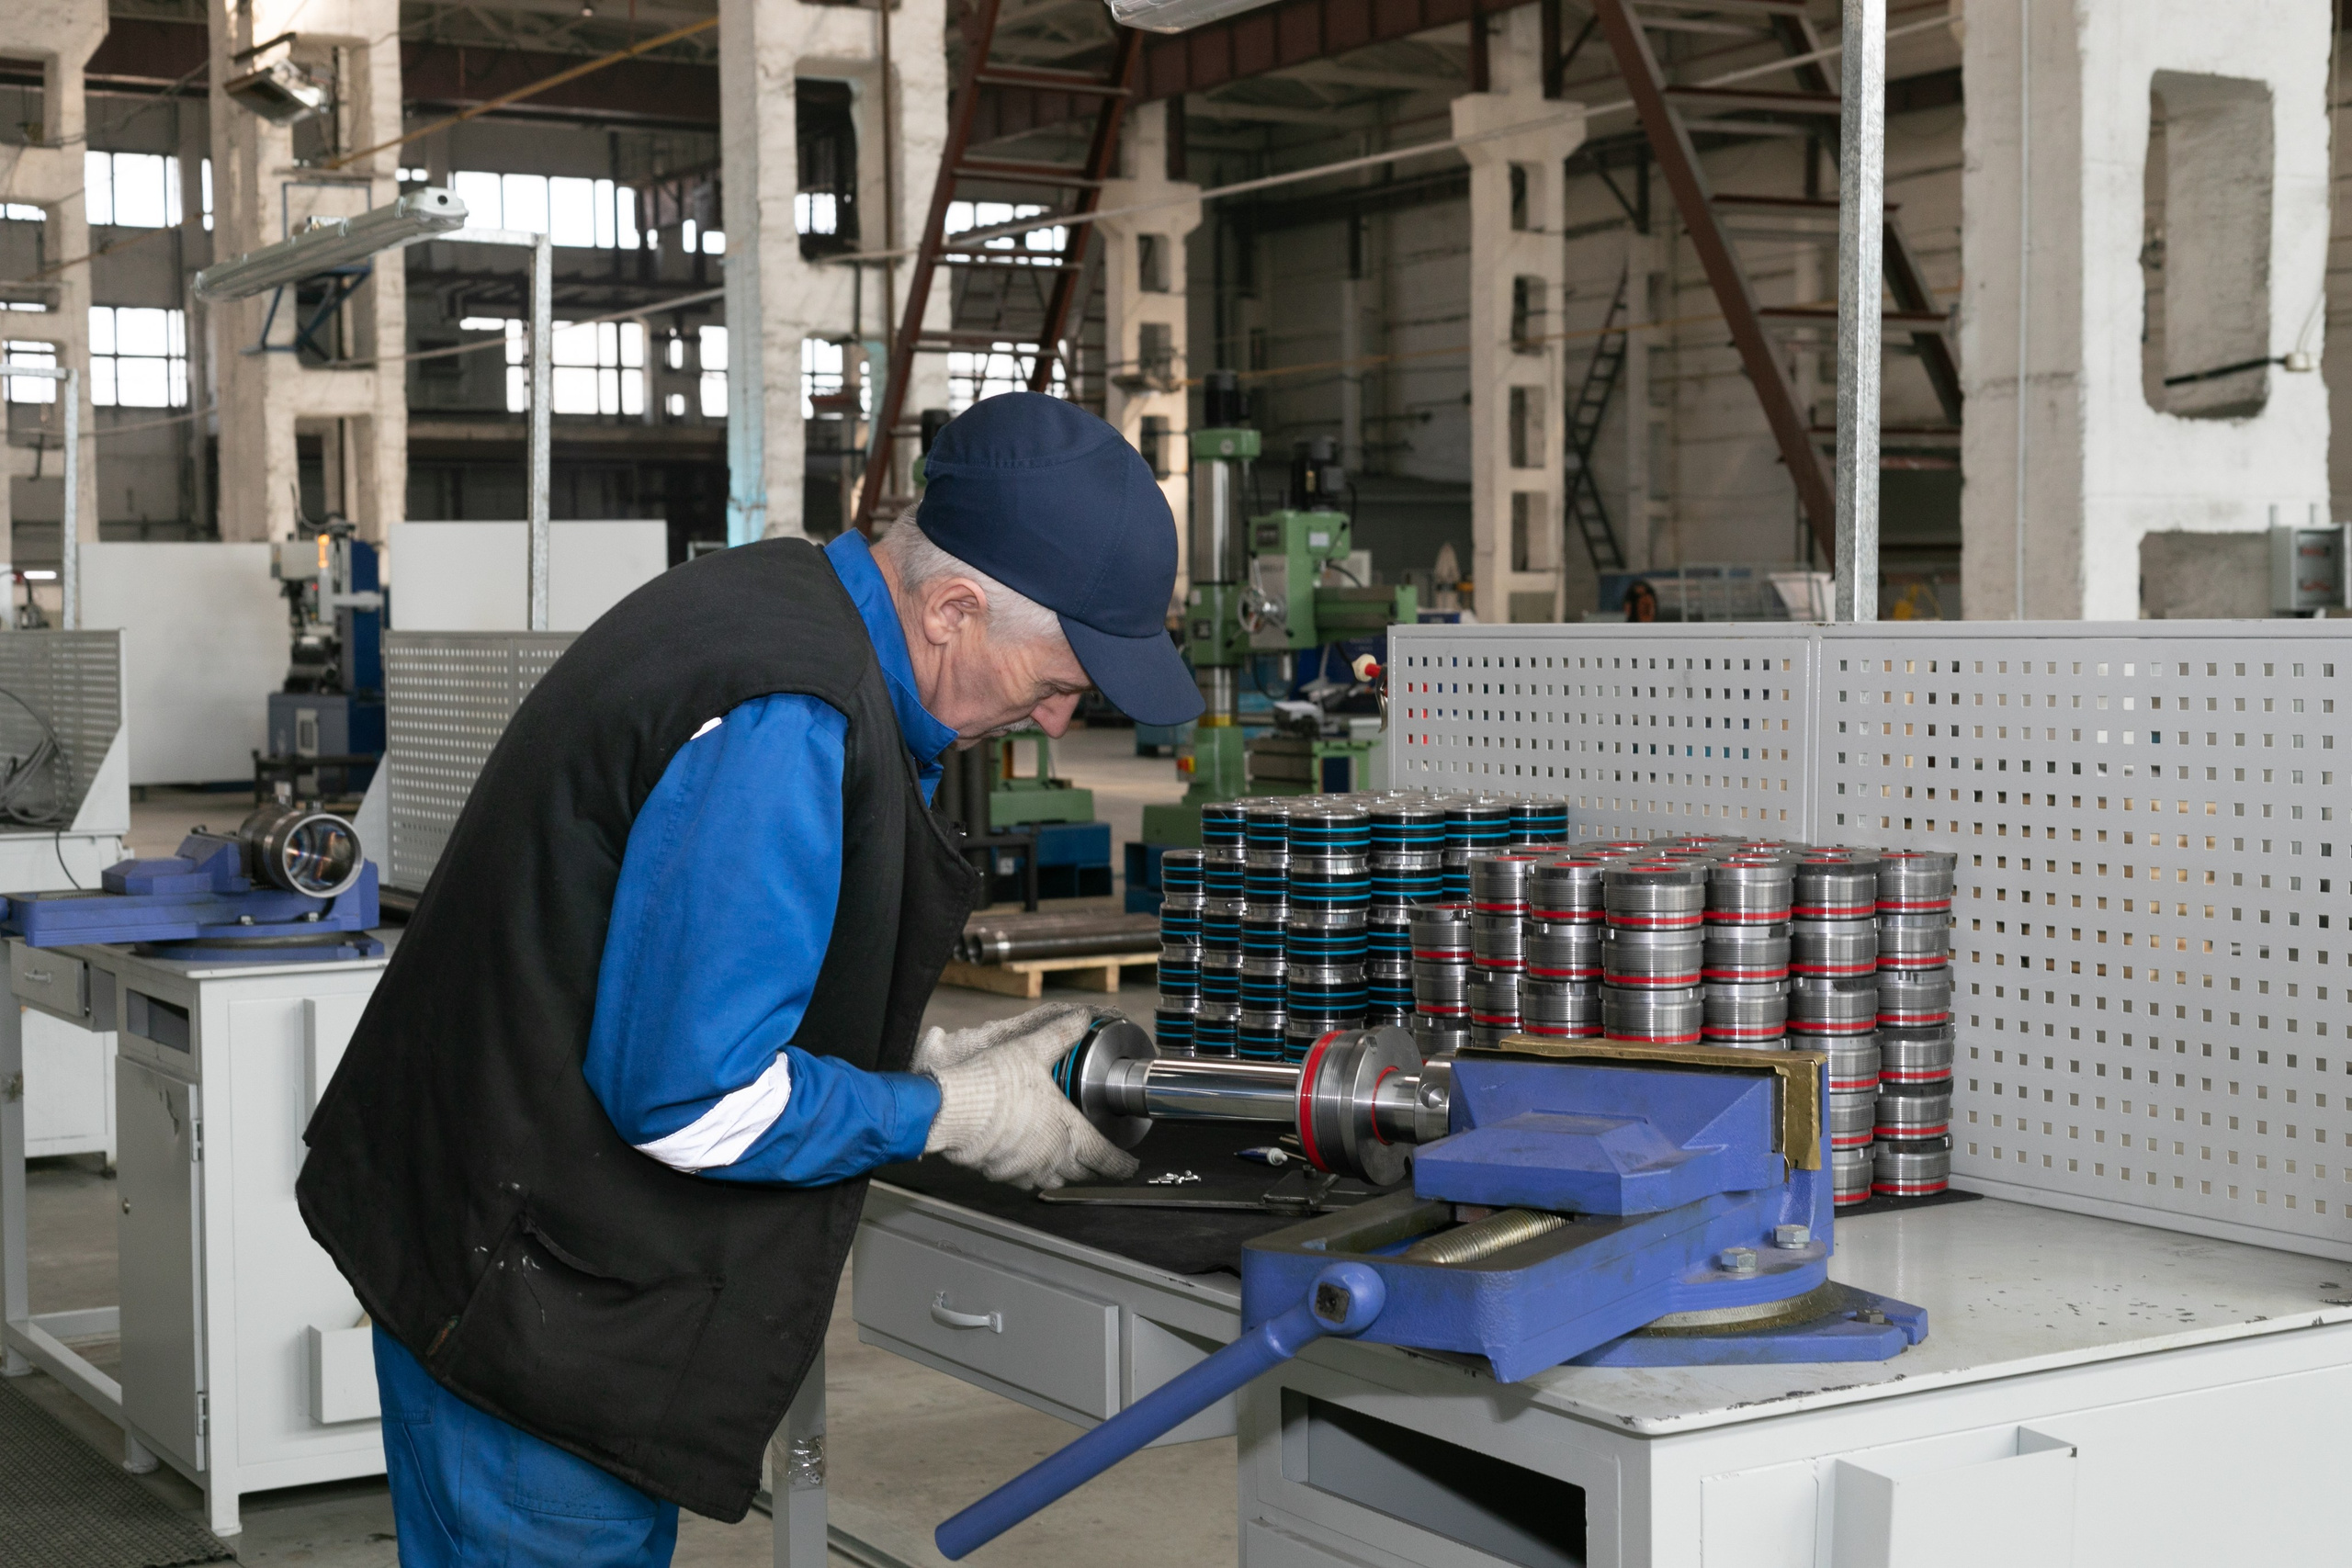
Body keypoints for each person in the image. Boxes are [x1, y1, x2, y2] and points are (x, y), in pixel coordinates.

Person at [296, 392, 1203, 1567]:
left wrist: (913, 1059)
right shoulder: (787, 716)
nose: (1063, 713)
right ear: (955, 608)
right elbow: (689, 1101)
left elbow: (673, 959)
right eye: (1061, 675)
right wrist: (953, 1112)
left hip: (475, 1230)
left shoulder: (774, 597)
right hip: (533, 1305)